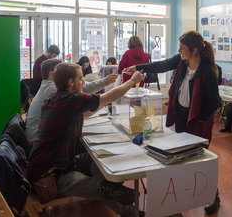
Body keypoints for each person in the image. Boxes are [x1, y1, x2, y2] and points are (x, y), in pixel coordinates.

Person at [26, 63, 144, 217]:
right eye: (81, 78)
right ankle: (130, 212)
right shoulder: (70, 99)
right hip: (50, 176)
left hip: (54, 164)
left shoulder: (55, 98)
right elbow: (110, 96)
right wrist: (132, 81)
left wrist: (100, 104)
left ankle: (109, 186)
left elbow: (83, 114)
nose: (83, 82)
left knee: (98, 158)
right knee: (103, 190)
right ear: (70, 82)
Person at [123, 30, 222, 214]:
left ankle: (213, 195)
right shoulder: (181, 61)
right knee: (183, 156)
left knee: (202, 159)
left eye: (182, 48)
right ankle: (186, 191)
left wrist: (201, 117)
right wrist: (137, 67)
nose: (179, 50)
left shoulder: (208, 71)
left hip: (198, 120)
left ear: (194, 50)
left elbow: (215, 101)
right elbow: (160, 65)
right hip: (182, 116)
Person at [25, 59, 117, 145]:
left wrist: (102, 102)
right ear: (52, 74)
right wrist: (105, 81)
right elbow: (83, 89)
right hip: (39, 142)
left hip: (37, 139)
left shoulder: (46, 86)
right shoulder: (54, 89)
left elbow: (83, 115)